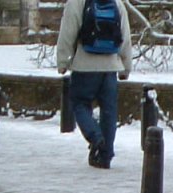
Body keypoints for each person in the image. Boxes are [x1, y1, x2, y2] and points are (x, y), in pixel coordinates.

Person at [57, 0, 133, 170]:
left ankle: (96, 137)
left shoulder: (77, 3)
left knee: (80, 103)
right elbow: (125, 37)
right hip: (110, 67)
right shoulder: (116, 3)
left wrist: (63, 61)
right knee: (109, 111)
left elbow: (68, 33)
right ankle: (105, 156)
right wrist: (126, 66)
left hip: (85, 65)